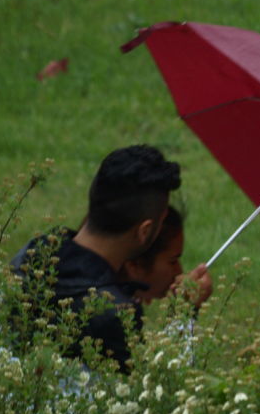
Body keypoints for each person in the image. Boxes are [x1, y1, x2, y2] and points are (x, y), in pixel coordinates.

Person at [10, 144, 183, 372]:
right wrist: (184, 317)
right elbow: (146, 395)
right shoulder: (114, 313)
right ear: (144, 231)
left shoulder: (35, 252)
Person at [120, 205, 212, 309]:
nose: (179, 272)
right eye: (172, 262)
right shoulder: (110, 313)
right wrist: (185, 308)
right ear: (135, 265)